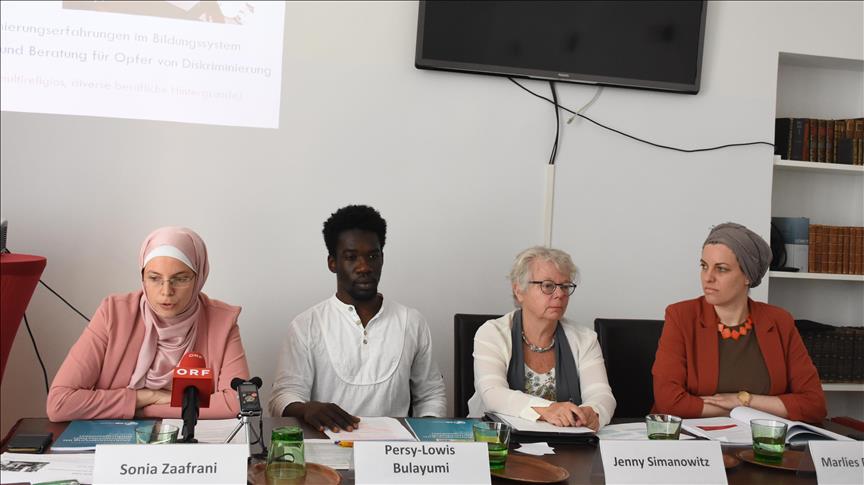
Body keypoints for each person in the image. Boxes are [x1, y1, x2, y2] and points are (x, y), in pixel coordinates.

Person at [268, 205, 447, 431]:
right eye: (351, 257)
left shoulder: (411, 321)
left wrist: (425, 439)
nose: (364, 267)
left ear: (382, 259)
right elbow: (282, 397)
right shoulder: (306, 325)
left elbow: (431, 394)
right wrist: (307, 409)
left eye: (373, 256)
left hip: (394, 448)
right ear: (332, 263)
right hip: (326, 446)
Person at [46, 226, 250, 421]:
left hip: (191, 440)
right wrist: (148, 396)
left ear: (199, 278)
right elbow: (60, 403)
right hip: (118, 439)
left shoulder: (222, 321)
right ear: (142, 277)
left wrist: (141, 409)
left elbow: (236, 402)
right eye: (154, 278)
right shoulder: (114, 313)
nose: (166, 291)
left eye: (180, 279)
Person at [652, 222, 826, 423]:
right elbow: (669, 403)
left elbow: (814, 404)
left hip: (761, 437)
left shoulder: (779, 321)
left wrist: (743, 401)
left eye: (721, 269)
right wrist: (753, 410)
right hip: (693, 439)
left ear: (747, 277)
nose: (708, 278)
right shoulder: (681, 316)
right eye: (704, 266)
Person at [468, 247, 616, 431]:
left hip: (564, 443)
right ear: (518, 290)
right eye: (548, 286)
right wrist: (549, 409)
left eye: (565, 286)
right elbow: (493, 394)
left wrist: (593, 412)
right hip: (495, 440)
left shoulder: (585, 338)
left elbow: (602, 394)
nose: (560, 294)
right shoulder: (492, 333)